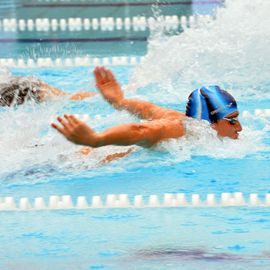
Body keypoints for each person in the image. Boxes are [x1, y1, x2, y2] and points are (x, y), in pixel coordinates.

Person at [51, 66, 242, 148]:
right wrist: (95, 140)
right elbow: (140, 130)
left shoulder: (179, 119)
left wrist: (118, 101)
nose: (239, 127)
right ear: (211, 122)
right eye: (232, 121)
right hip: (81, 163)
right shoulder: (180, 129)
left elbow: (146, 108)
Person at [0, 75, 95, 107]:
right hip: (22, 84)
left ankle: (95, 96)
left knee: (64, 96)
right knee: (64, 96)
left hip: (24, 85)